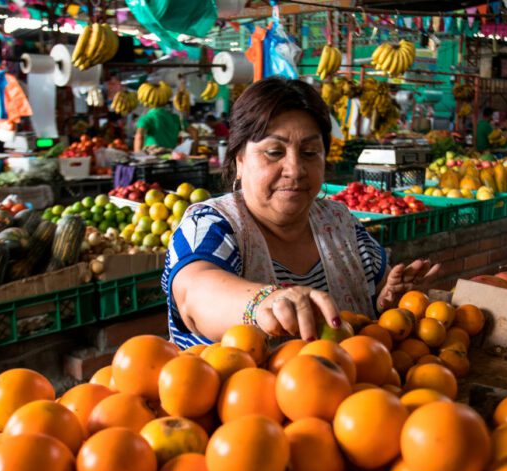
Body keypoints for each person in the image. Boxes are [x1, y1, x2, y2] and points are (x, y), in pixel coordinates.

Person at [162, 77, 440, 347]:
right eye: (273, 151)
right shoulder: (211, 225)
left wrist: (388, 304)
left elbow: (377, 303)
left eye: (309, 152)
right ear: (240, 160)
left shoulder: (341, 225)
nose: (295, 170)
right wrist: (264, 303)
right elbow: (196, 295)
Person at [133, 93, 199, 152]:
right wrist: (194, 152)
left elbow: (139, 136)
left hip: (152, 158)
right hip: (171, 157)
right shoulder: (175, 118)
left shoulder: (146, 118)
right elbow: (194, 132)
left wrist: (137, 155)